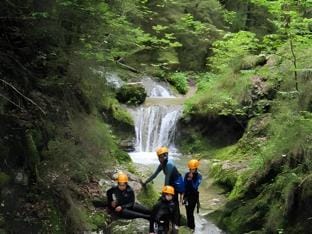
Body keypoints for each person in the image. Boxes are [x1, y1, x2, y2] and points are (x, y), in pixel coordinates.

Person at [183, 159, 202, 230]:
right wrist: (183, 195)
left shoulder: (199, 176)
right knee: (187, 212)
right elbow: (184, 185)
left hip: (193, 196)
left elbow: (195, 187)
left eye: (193, 169)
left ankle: (192, 227)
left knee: (190, 212)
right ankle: (189, 226)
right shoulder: (186, 174)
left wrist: (190, 180)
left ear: (196, 168)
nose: (191, 170)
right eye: (190, 169)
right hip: (187, 196)